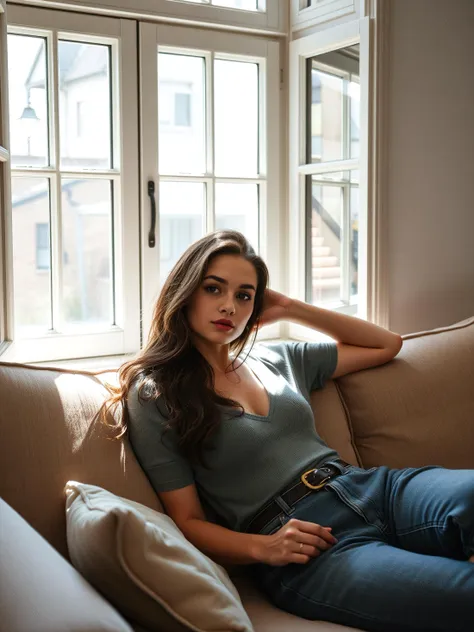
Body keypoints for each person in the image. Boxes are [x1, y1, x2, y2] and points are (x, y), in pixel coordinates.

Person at [100, 230, 474, 632]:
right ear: (186, 292)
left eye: (245, 295)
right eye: (214, 288)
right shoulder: (156, 393)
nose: (229, 305)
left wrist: (291, 308)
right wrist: (266, 548)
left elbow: (387, 344)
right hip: (308, 546)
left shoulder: (278, 357)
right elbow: (188, 520)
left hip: (373, 489)